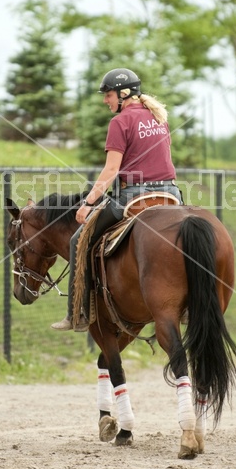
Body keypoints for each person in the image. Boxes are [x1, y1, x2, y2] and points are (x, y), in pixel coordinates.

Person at [51, 67, 183, 331]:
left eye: (108, 94)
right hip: (171, 194)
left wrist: (88, 203)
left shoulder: (120, 122)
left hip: (135, 196)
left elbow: (111, 170)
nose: (105, 100)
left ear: (124, 94)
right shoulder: (159, 118)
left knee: (79, 240)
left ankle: (77, 314)